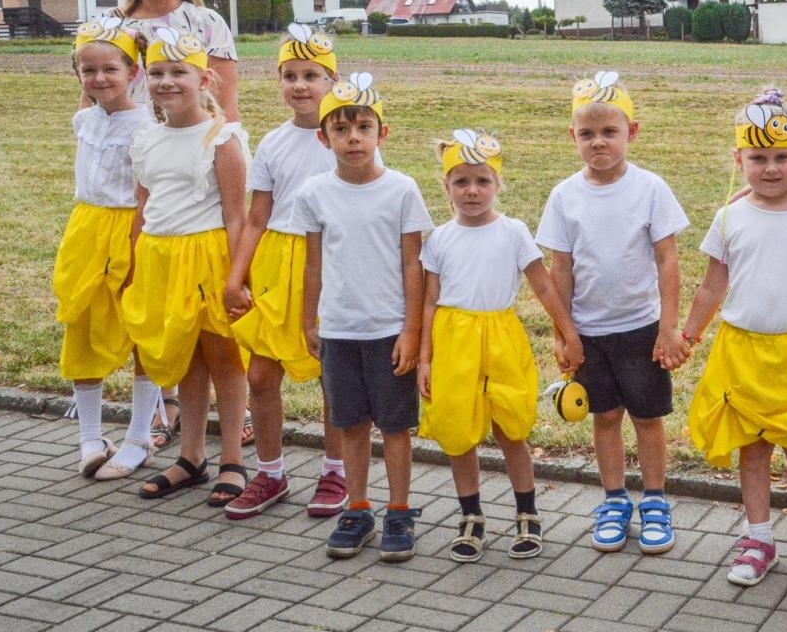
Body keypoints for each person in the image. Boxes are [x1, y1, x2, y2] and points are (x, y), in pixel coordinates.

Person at [680, 89, 787, 588]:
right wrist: (689, 332)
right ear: (739, 159)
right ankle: (757, 537)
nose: (770, 169)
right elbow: (713, 282)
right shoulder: (729, 217)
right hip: (742, 350)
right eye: (758, 158)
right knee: (751, 448)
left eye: (781, 158)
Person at [536, 71, 689, 555]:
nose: (598, 142)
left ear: (632, 132)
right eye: (587, 134)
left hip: (641, 329)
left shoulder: (650, 188)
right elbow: (560, 268)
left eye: (609, 132)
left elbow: (668, 260)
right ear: (572, 138)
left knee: (647, 418)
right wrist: (565, 333)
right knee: (605, 417)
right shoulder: (565, 196)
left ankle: (657, 502)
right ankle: (614, 500)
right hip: (590, 331)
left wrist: (668, 326)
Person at [418, 129, 584, 562]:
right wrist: (424, 357)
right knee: (458, 431)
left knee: (511, 426)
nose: (472, 191)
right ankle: (470, 515)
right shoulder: (438, 238)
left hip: (501, 337)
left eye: (482, 181)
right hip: (453, 340)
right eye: (461, 182)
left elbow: (544, 287)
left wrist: (567, 331)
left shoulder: (513, 231)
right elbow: (430, 300)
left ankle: (527, 511)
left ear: (498, 184)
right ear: (447, 187)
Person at [292, 73, 434, 561]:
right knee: (349, 423)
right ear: (323, 137)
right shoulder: (314, 193)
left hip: (389, 331)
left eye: (363, 127)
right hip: (339, 328)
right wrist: (308, 320)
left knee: (394, 427)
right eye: (341, 129)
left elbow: (413, 266)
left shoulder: (402, 190)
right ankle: (357, 508)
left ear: (382, 133)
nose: (353, 138)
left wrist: (412, 331)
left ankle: (399, 509)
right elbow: (312, 263)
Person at [113, 0, 242, 448]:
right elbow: (97, 90)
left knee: (207, 317)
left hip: (199, 165)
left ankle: (229, 422)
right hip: (142, 162)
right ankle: (158, 413)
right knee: (150, 299)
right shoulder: (116, 24)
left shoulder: (205, 21)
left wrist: (219, 155)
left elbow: (226, 101)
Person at [120, 26, 250, 505]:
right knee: (184, 359)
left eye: (179, 72)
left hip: (206, 258)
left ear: (205, 79)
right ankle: (191, 457)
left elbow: (237, 214)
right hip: (160, 257)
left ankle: (233, 456)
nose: (167, 81)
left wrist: (237, 277)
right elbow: (143, 204)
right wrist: (134, 265)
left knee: (222, 358)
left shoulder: (221, 138)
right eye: (157, 72)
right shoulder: (147, 140)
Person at [221, 25, 346, 520]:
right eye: (289, 76)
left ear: (331, 79)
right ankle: (270, 472)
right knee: (261, 373)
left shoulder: (347, 136)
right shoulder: (272, 143)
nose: (299, 85)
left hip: (330, 263)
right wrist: (237, 276)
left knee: (333, 375)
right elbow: (257, 216)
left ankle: (335, 468)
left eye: (311, 75)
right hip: (277, 263)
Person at [55, 20, 159, 480]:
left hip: (131, 227)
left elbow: (146, 193)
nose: (99, 79)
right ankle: (90, 437)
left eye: (110, 69)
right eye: (88, 70)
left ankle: (139, 435)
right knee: (81, 325)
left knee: (140, 330)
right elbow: (90, 105)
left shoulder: (148, 126)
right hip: (87, 229)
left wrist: (139, 246)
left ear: (133, 72)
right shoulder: (84, 119)